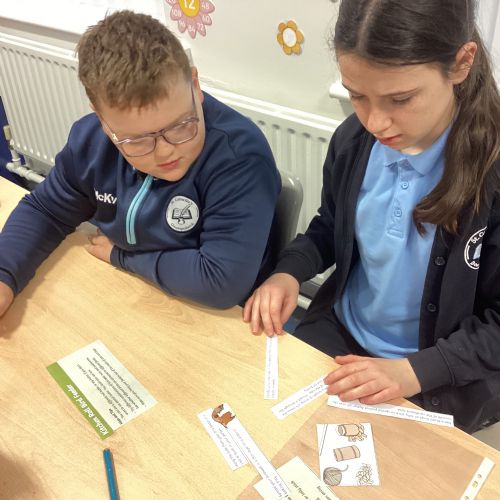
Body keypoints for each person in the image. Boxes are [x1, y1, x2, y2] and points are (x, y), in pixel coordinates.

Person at [244, 0, 500, 433]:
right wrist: (288, 272)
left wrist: (413, 371)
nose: (376, 122)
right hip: (342, 333)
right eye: (357, 95)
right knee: (268, 425)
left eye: (401, 99)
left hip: (440, 372)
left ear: (461, 63)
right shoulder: (352, 141)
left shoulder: (490, 175)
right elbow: (331, 227)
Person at [0, 10, 280, 315]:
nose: (165, 152)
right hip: (132, 291)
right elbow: (46, 210)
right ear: (101, 118)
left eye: (181, 125)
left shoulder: (240, 156)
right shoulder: (90, 140)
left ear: (195, 85)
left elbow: (219, 280)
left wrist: (122, 257)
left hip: (215, 312)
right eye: (137, 141)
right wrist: (4, 275)